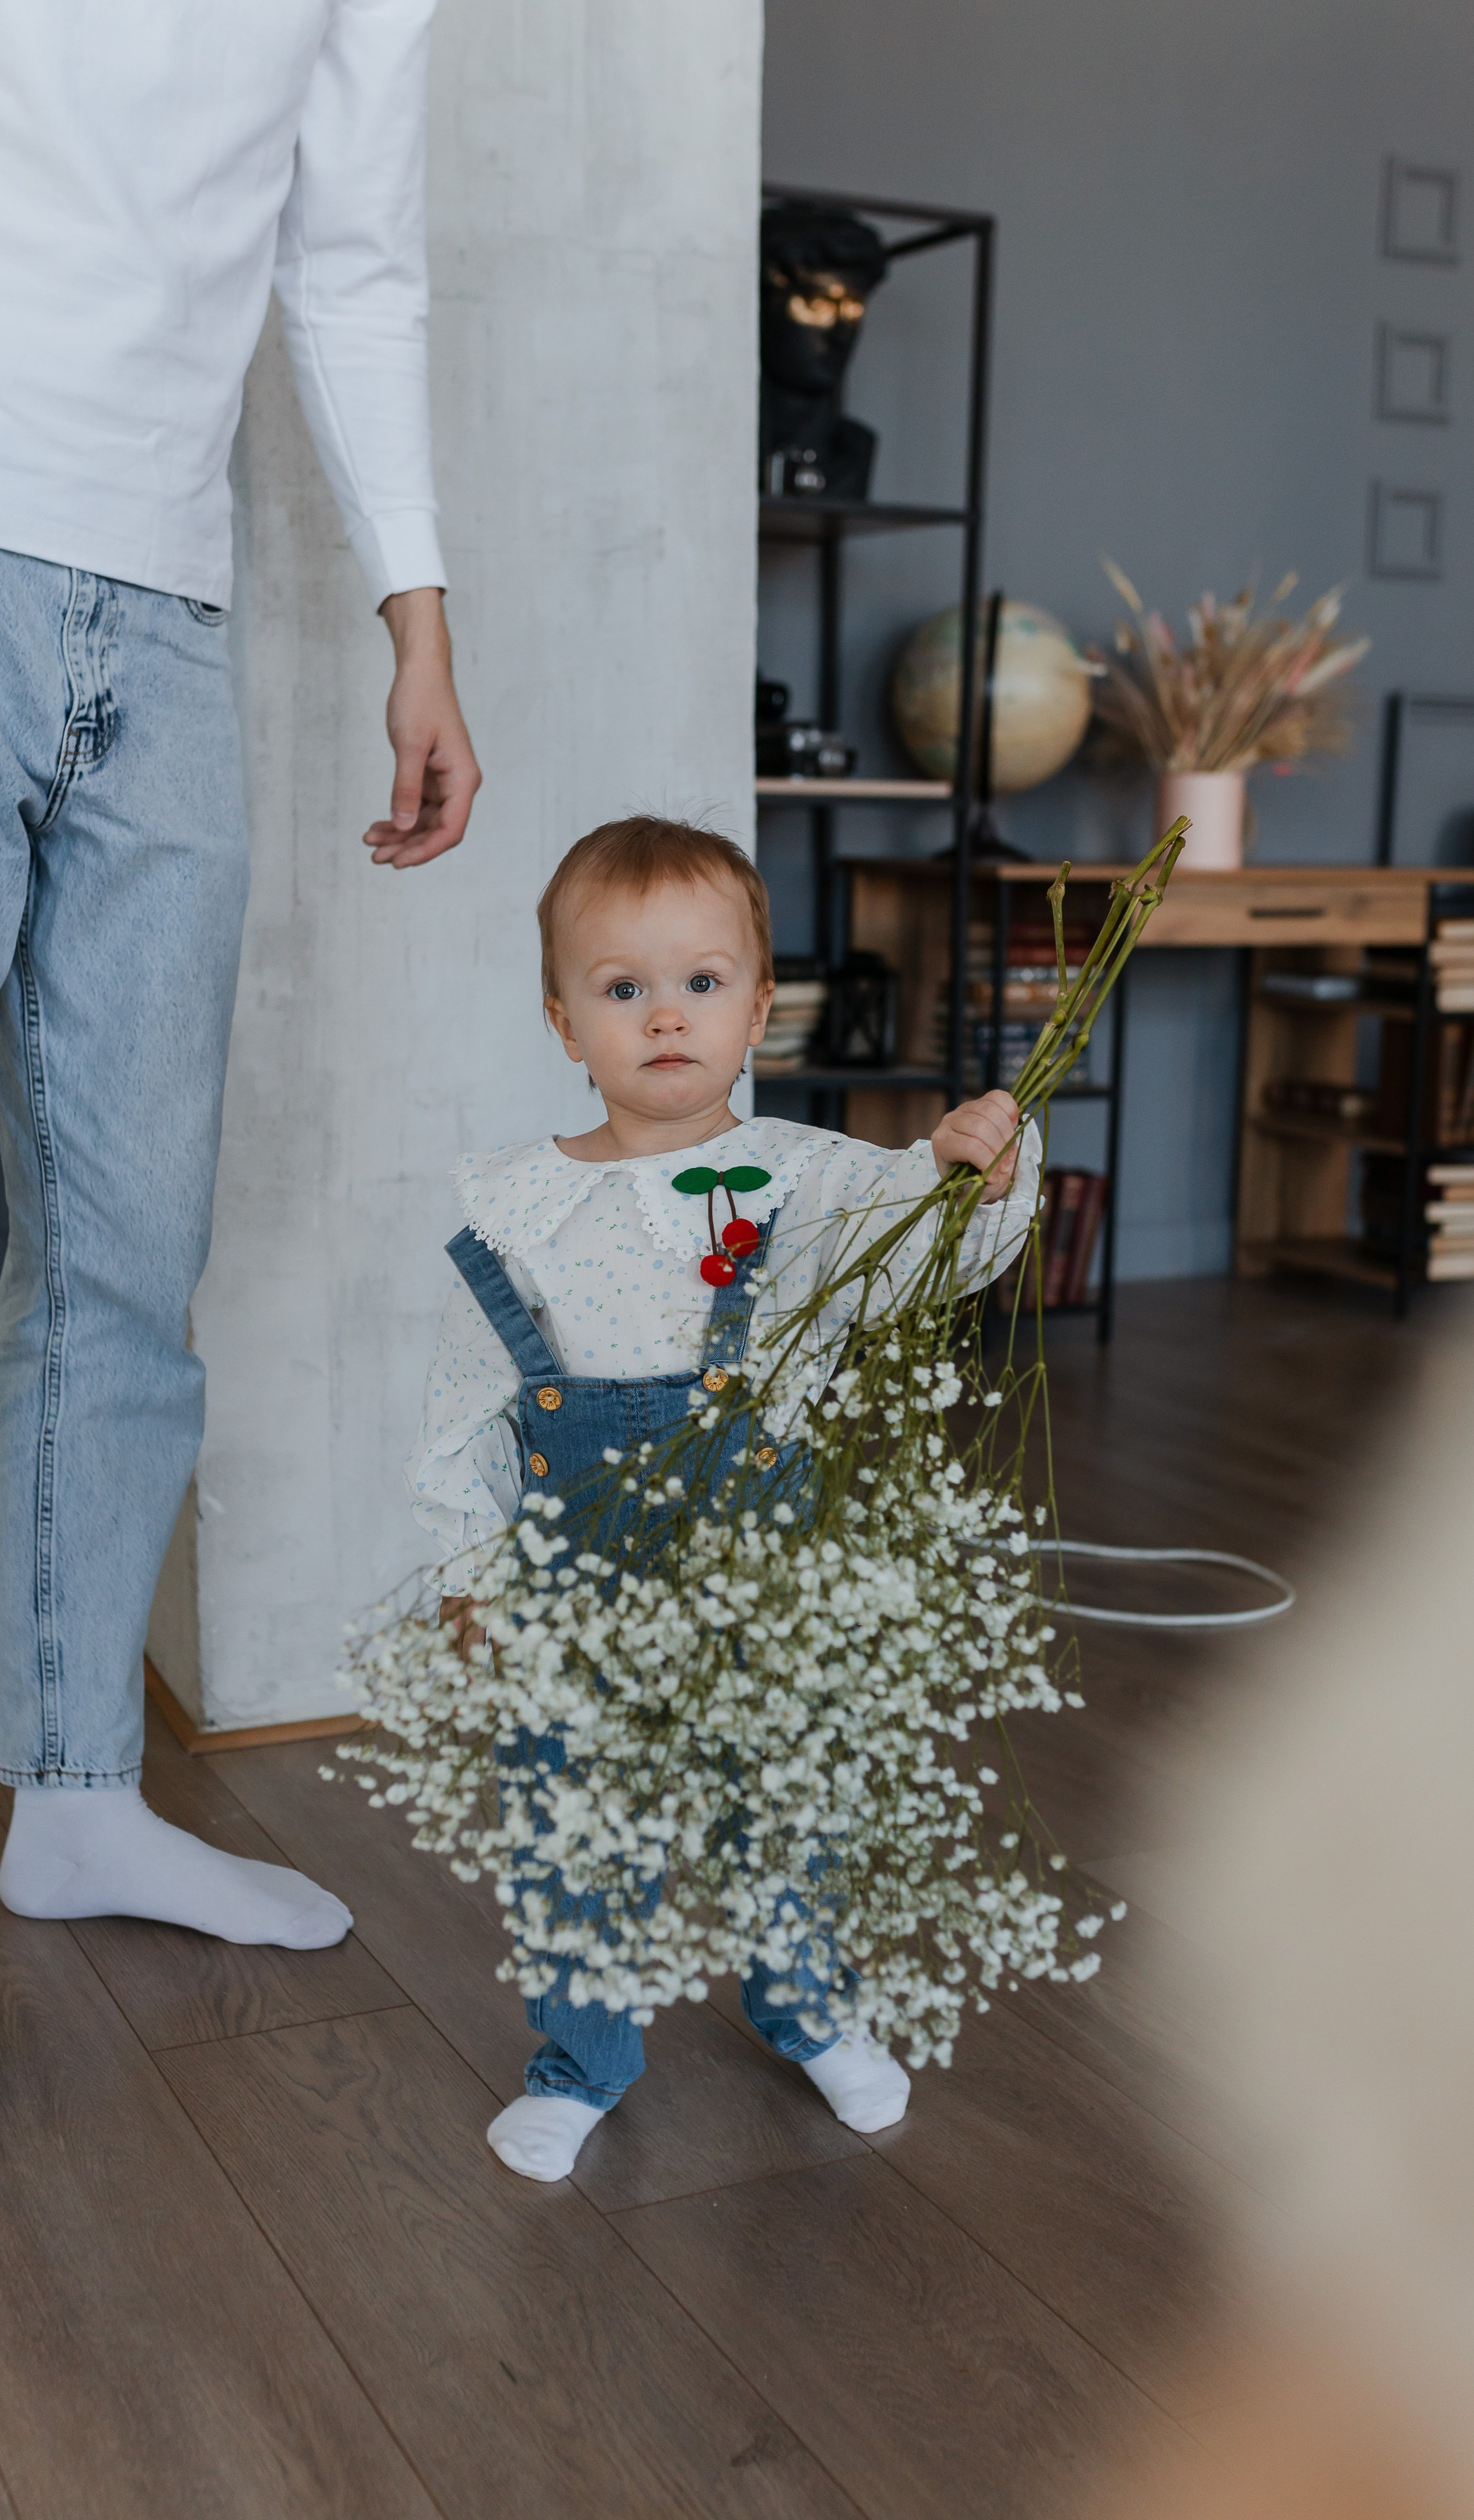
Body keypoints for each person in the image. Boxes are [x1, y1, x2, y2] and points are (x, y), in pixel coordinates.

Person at [0, 0, 481, 2098]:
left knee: (125, 1256)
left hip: (166, 594)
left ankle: (78, 1796)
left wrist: (417, 609)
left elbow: (354, 248)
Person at [403, 816, 1038, 2180]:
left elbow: (941, 1262)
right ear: (564, 1020)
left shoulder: (813, 1183)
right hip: (581, 1594)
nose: (664, 1017)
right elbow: (465, 1417)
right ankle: (580, 2062)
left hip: (766, 1585)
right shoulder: (515, 1207)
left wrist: (978, 1171)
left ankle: (808, 2008)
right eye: (621, 987)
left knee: (784, 1808)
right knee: (573, 1829)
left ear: (758, 1004)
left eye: (699, 982)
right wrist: (468, 1574)